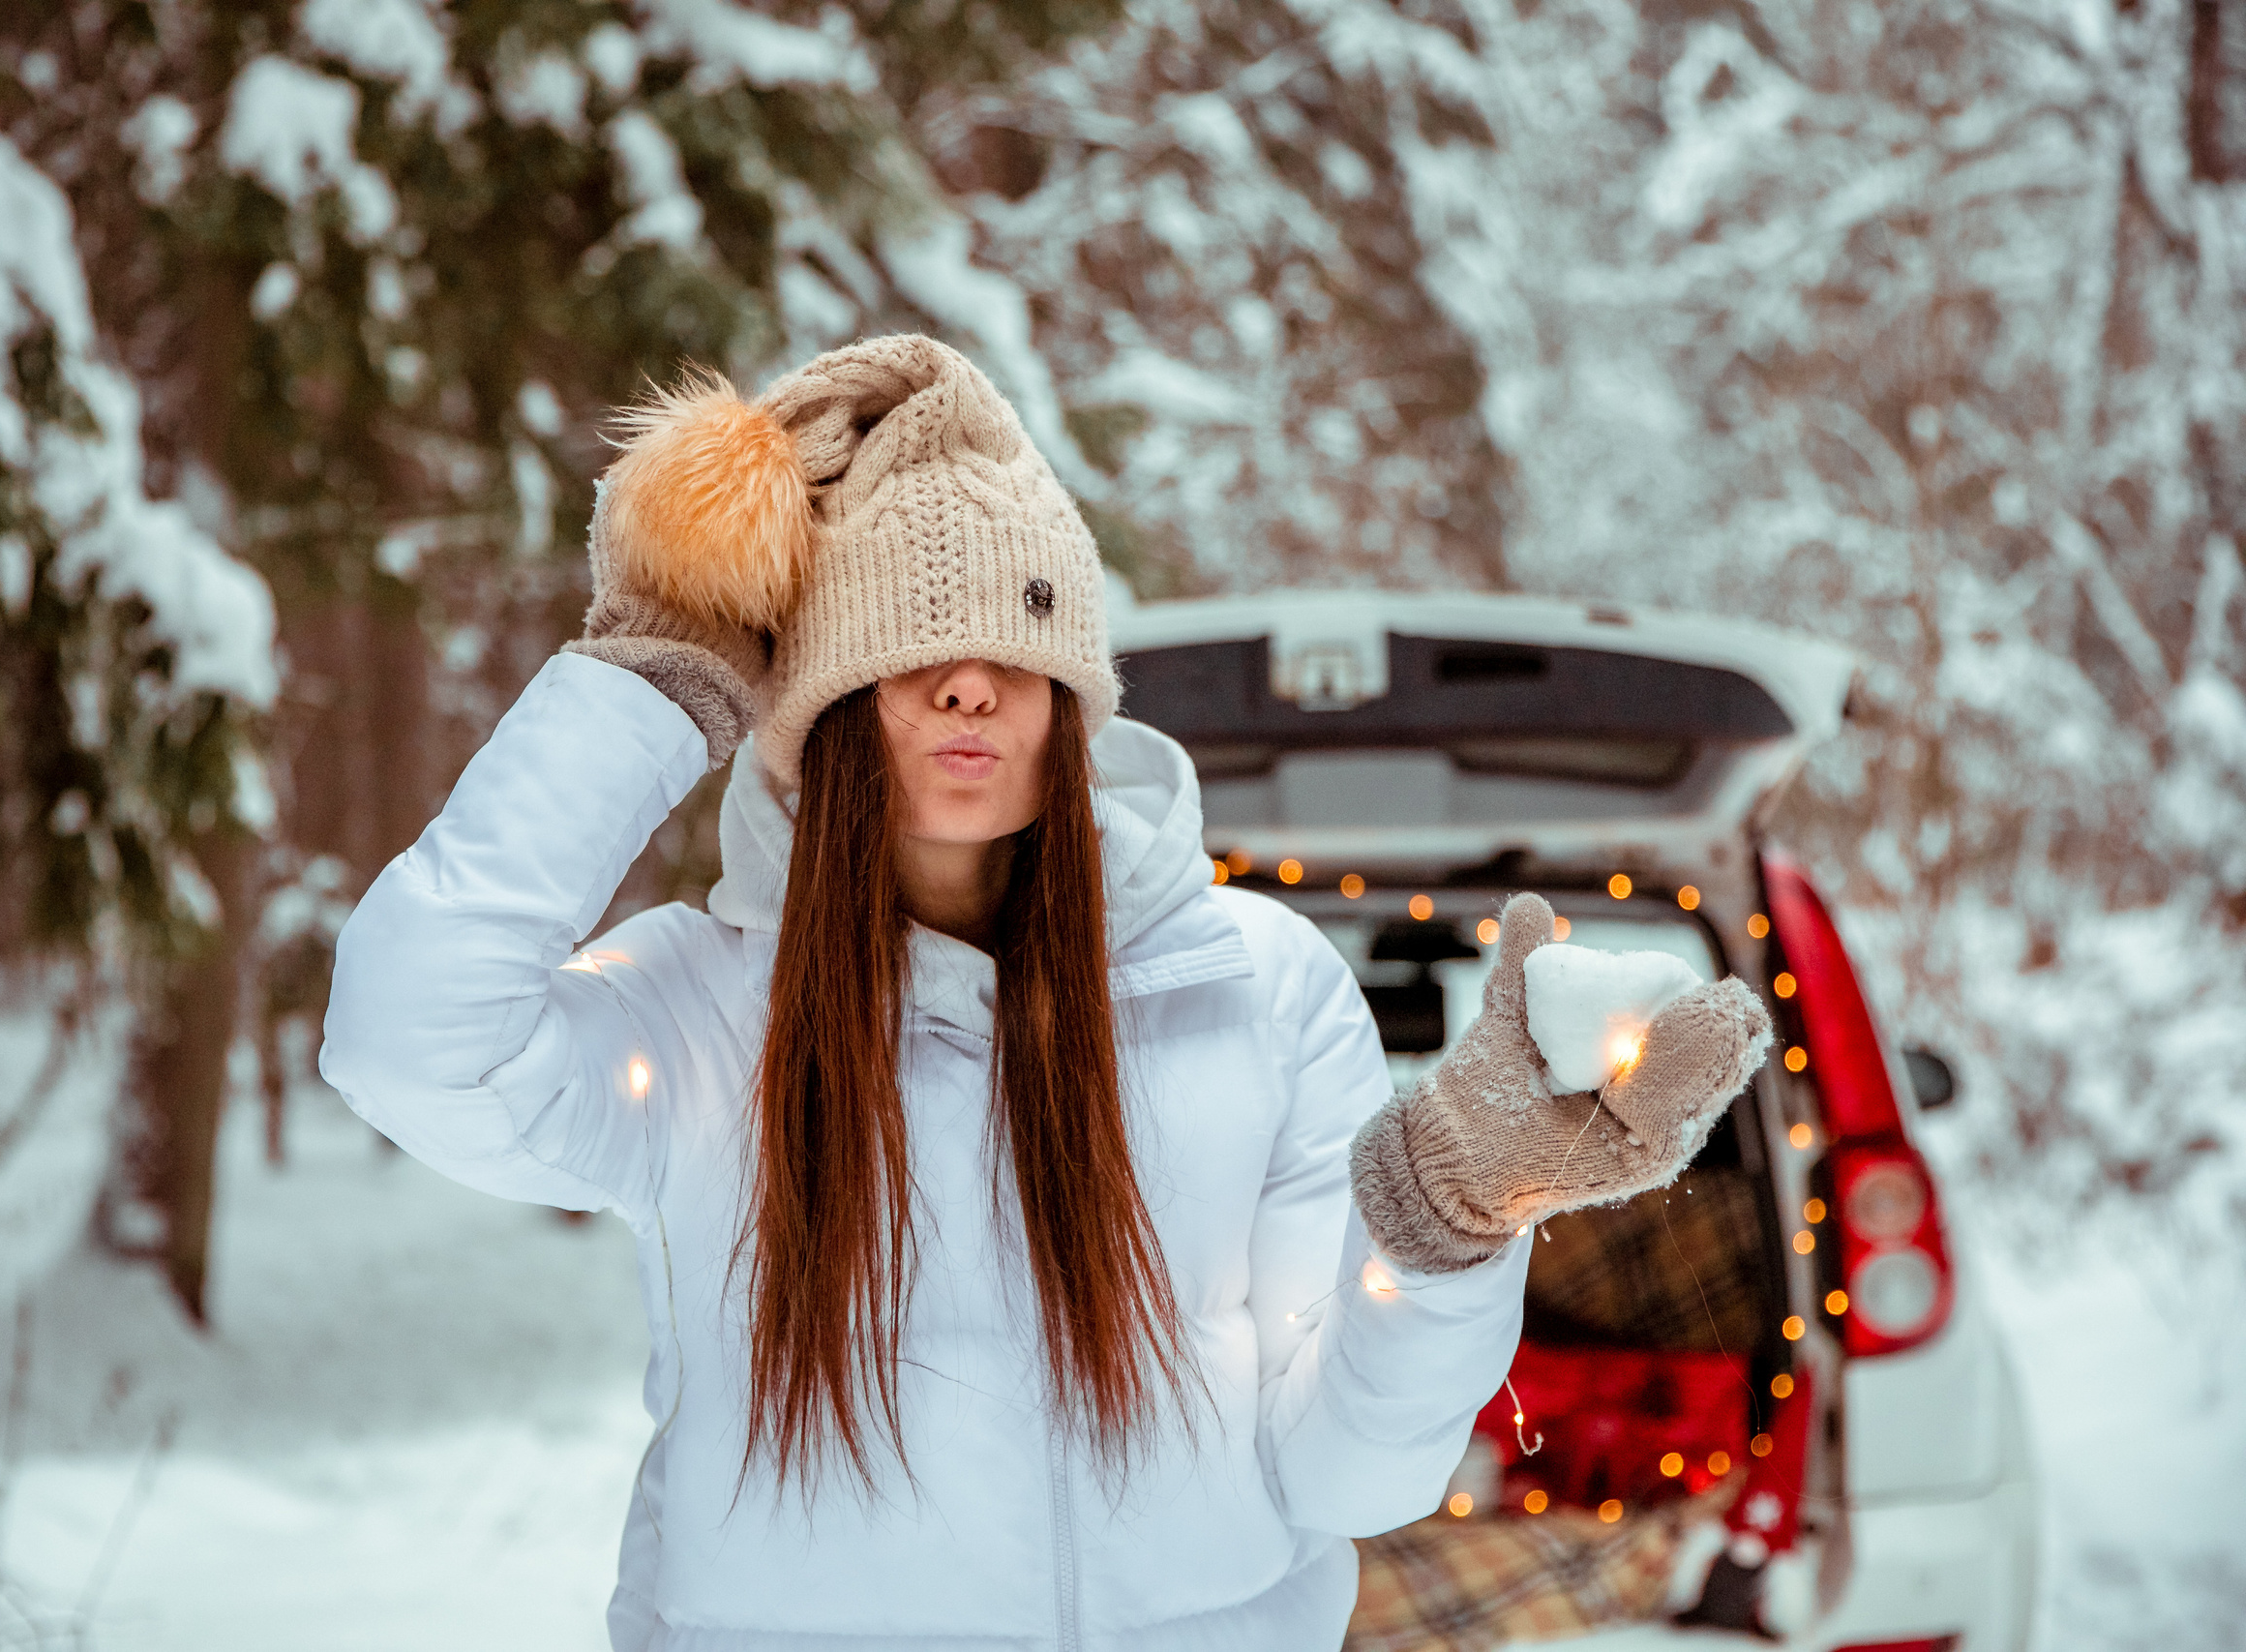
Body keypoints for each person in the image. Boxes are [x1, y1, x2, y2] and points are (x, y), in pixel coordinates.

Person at [319, 335, 1770, 1650]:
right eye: (906, 646)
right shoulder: (705, 1013)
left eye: (1018, 639)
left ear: (1076, 702)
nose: (969, 687)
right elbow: (407, 1043)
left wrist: (1451, 1220)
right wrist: (643, 690)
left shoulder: (1259, 996)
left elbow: (1355, 1474)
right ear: (821, 704)